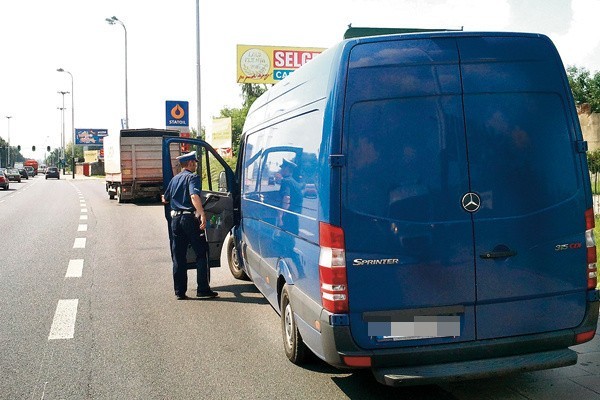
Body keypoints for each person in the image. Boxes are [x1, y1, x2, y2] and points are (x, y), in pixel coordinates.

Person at [162, 151, 218, 300]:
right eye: (195, 163)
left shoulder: (174, 180)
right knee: (201, 252)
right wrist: (202, 214)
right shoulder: (193, 177)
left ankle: (180, 292)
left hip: (175, 221)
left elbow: (165, 199)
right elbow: (194, 196)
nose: (195, 165)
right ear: (191, 163)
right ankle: (203, 289)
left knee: (179, 256)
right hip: (189, 219)